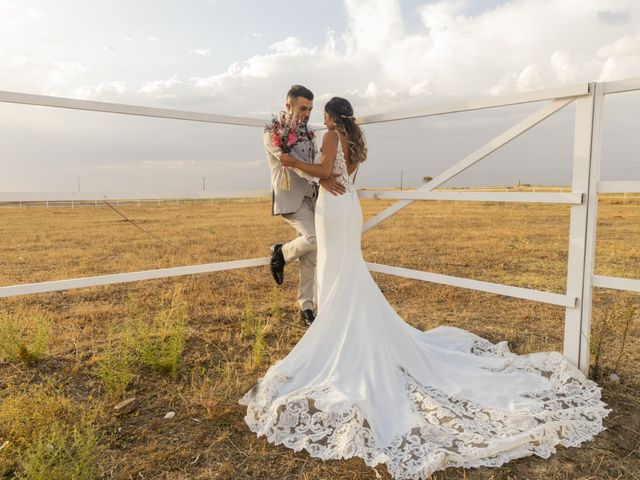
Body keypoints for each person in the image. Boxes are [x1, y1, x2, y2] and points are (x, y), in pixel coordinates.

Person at [242, 96, 609, 479]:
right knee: (347, 268)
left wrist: (293, 163)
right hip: (347, 204)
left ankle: (337, 336)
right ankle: (340, 326)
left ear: (331, 116)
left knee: (337, 270)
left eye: (324, 114)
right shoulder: (353, 139)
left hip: (333, 209)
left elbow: (321, 170)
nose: (322, 119)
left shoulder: (333, 135)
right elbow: (341, 176)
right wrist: (323, 174)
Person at [263, 85, 346, 327]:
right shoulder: (271, 132)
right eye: (302, 108)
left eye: (310, 109)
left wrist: (324, 176)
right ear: (288, 105)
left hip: (313, 197)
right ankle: (281, 253)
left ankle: (306, 306)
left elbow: (313, 162)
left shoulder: (309, 133)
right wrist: (321, 177)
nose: (307, 113)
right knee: (315, 239)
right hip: (290, 197)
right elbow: (288, 162)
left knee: (312, 252)